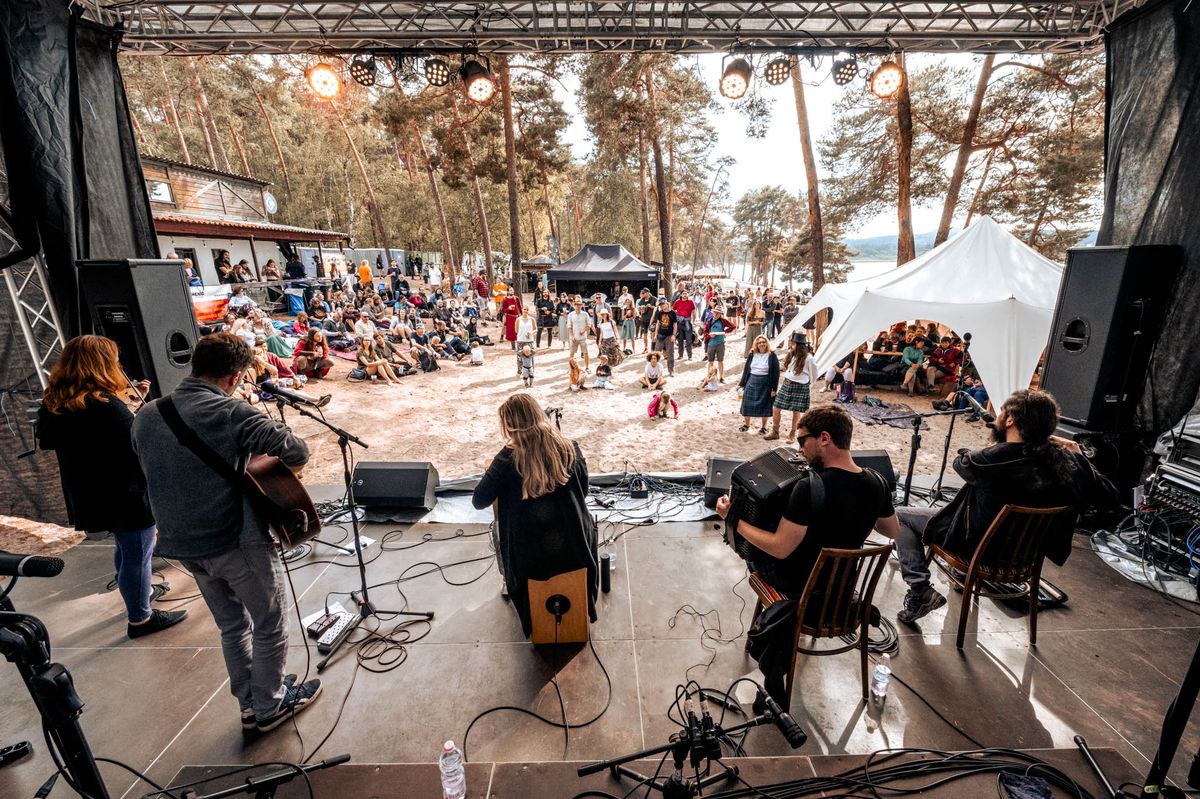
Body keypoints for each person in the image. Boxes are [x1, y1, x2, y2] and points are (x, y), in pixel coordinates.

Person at [132, 333, 322, 734]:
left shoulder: (146, 415)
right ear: (235, 377)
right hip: (234, 539)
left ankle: (251, 701)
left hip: (183, 543)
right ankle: (269, 706)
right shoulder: (230, 412)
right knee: (269, 622)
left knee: (232, 626)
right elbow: (297, 451)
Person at [714, 405, 898, 703]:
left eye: (802, 440)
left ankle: (779, 631)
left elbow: (780, 547)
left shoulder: (809, 488)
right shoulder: (876, 482)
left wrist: (733, 520)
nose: (799, 449)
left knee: (751, 553)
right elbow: (892, 530)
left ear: (824, 438)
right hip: (842, 592)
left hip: (800, 592)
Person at [893, 389, 1118, 624]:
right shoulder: (1070, 463)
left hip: (976, 549)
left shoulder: (994, 459)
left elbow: (961, 463)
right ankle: (958, 577)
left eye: (1001, 412)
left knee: (900, 516)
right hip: (1023, 559)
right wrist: (1080, 457)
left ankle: (920, 591)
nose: (998, 416)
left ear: (1010, 420)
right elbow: (1110, 497)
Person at [37, 336, 188, 638]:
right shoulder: (106, 407)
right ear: (102, 363)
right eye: (114, 359)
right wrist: (134, 413)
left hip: (90, 491)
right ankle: (140, 619)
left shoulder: (55, 403)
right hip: (125, 492)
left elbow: (58, 439)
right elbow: (135, 446)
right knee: (137, 553)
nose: (118, 365)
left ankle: (138, 596)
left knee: (126, 547)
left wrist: (128, 404)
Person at [471, 394, 598, 637]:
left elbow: (479, 501)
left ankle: (511, 586)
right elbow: (583, 491)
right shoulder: (570, 447)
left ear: (510, 426)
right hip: (575, 548)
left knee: (498, 529)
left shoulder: (506, 459)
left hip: (529, 559)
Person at [768, 337, 819, 442]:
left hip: (800, 386)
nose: (791, 346)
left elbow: (814, 375)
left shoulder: (809, 358)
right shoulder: (791, 355)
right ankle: (775, 432)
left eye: (793, 344)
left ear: (799, 346)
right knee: (776, 407)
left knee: (796, 411)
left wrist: (807, 386)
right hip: (787, 384)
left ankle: (792, 434)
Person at [738, 335, 780, 434]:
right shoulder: (752, 354)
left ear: (767, 343)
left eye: (763, 342)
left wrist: (774, 389)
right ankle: (746, 425)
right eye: (759, 342)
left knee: (765, 405)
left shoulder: (772, 355)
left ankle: (764, 427)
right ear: (756, 344)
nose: (761, 344)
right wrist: (742, 384)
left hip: (765, 382)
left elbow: (776, 373)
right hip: (751, 381)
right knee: (746, 403)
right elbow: (746, 369)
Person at [702, 306, 730, 383]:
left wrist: (725, 332)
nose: (717, 314)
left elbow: (733, 326)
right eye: (715, 312)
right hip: (711, 344)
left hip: (720, 343)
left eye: (718, 313)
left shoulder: (723, 321)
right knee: (710, 361)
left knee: (720, 361)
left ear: (720, 314)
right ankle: (709, 376)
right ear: (713, 312)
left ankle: (721, 377)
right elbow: (705, 332)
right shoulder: (709, 321)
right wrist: (709, 335)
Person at [650, 298, 677, 376]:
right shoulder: (660, 313)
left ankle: (671, 370)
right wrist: (655, 334)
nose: (662, 306)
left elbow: (675, 325)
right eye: (660, 305)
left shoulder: (673, 313)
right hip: (660, 335)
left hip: (669, 335)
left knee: (670, 353)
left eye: (663, 304)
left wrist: (674, 335)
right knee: (656, 353)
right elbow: (658, 324)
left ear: (667, 304)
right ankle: (654, 370)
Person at [566, 298, 593, 372]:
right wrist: (572, 336)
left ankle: (587, 368)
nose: (578, 306)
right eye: (576, 304)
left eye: (579, 304)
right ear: (574, 305)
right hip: (574, 338)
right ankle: (571, 369)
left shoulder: (585, 314)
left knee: (585, 353)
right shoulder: (571, 314)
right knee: (572, 354)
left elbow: (589, 324)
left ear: (582, 305)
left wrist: (583, 330)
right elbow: (569, 326)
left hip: (583, 338)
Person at [673, 291, 696, 361]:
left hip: (687, 323)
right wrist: (676, 317)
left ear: (687, 294)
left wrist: (693, 321)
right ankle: (680, 356)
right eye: (683, 294)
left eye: (686, 294)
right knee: (680, 340)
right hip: (679, 323)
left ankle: (690, 356)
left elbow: (694, 312)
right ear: (681, 295)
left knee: (689, 340)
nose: (685, 295)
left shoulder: (690, 302)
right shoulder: (677, 302)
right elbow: (673, 310)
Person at [636, 289, 656, 354]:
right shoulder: (642, 300)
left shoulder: (654, 299)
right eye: (642, 293)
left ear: (647, 293)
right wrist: (640, 309)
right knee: (645, 334)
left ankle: (653, 349)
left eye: (643, 293)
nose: (642, 294)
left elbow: (657, 308)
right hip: (644, 319)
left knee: (653, 334)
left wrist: (651, 306)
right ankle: (646, 348)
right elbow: (639, 310)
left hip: (652, 320)